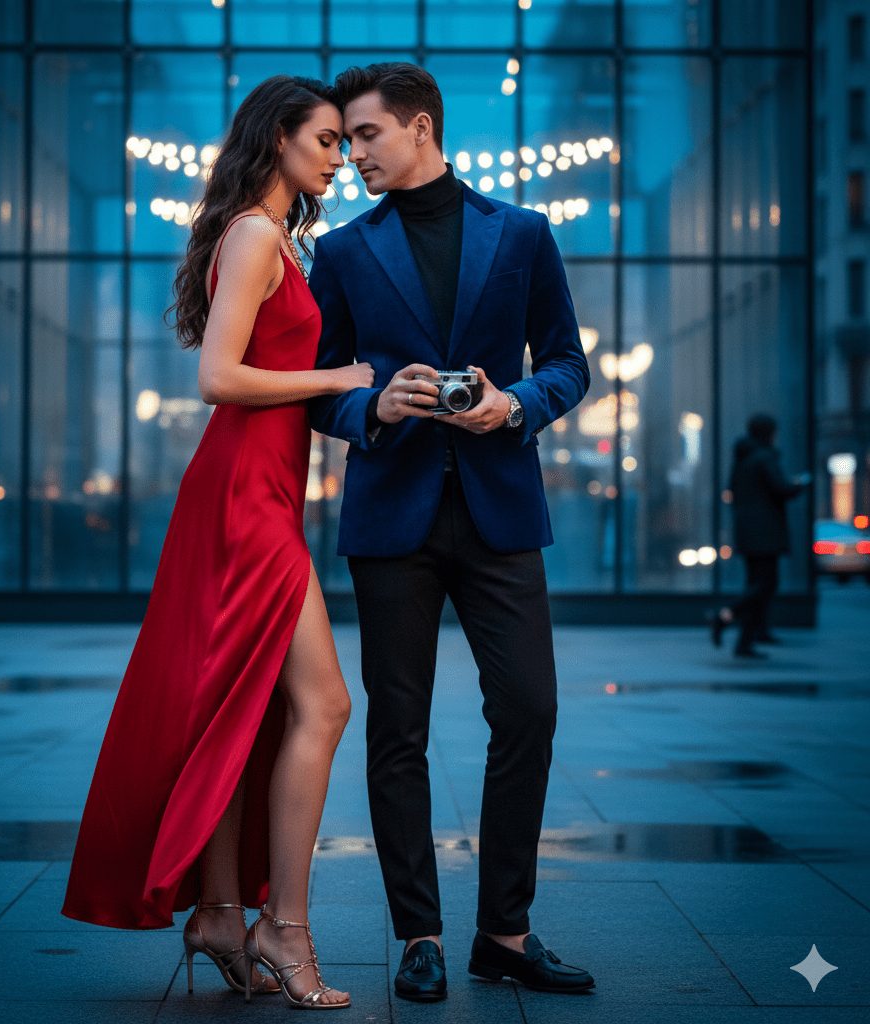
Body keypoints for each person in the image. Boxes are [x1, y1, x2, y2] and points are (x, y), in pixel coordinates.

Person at [62, 76, 370, 1011]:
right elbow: (217, 377)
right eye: (324, 140)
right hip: (242, 499)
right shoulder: (250, 235)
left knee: (246, 712)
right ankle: (286, 929)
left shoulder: (273, 238)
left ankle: (224, 913)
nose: (339, 158)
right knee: (324, 705)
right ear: (278, 138)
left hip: (262, 492)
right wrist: (343, 373)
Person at [308, 63, 595, 1002]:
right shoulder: (345, 251)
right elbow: (322, 388)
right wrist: (373, 409)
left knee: (530, 711)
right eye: (345, 141)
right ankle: (418, 936)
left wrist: (514, 404)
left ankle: (504, 934)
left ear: (420, 126)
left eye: (365, 136)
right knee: (398, 729)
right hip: (392, 512)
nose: (352, 156)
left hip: (499, 505)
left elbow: (567, 363)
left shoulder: (521, 232)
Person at [710, 413, 809, 658]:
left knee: (758, 584)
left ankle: (748, 637)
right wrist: (801, 484)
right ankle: (726, 617)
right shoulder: (764, 458)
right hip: (765, 533)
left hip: (749, 533)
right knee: (764, 585)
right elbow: (781, 489)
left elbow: (733, 490)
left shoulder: (743, 460)